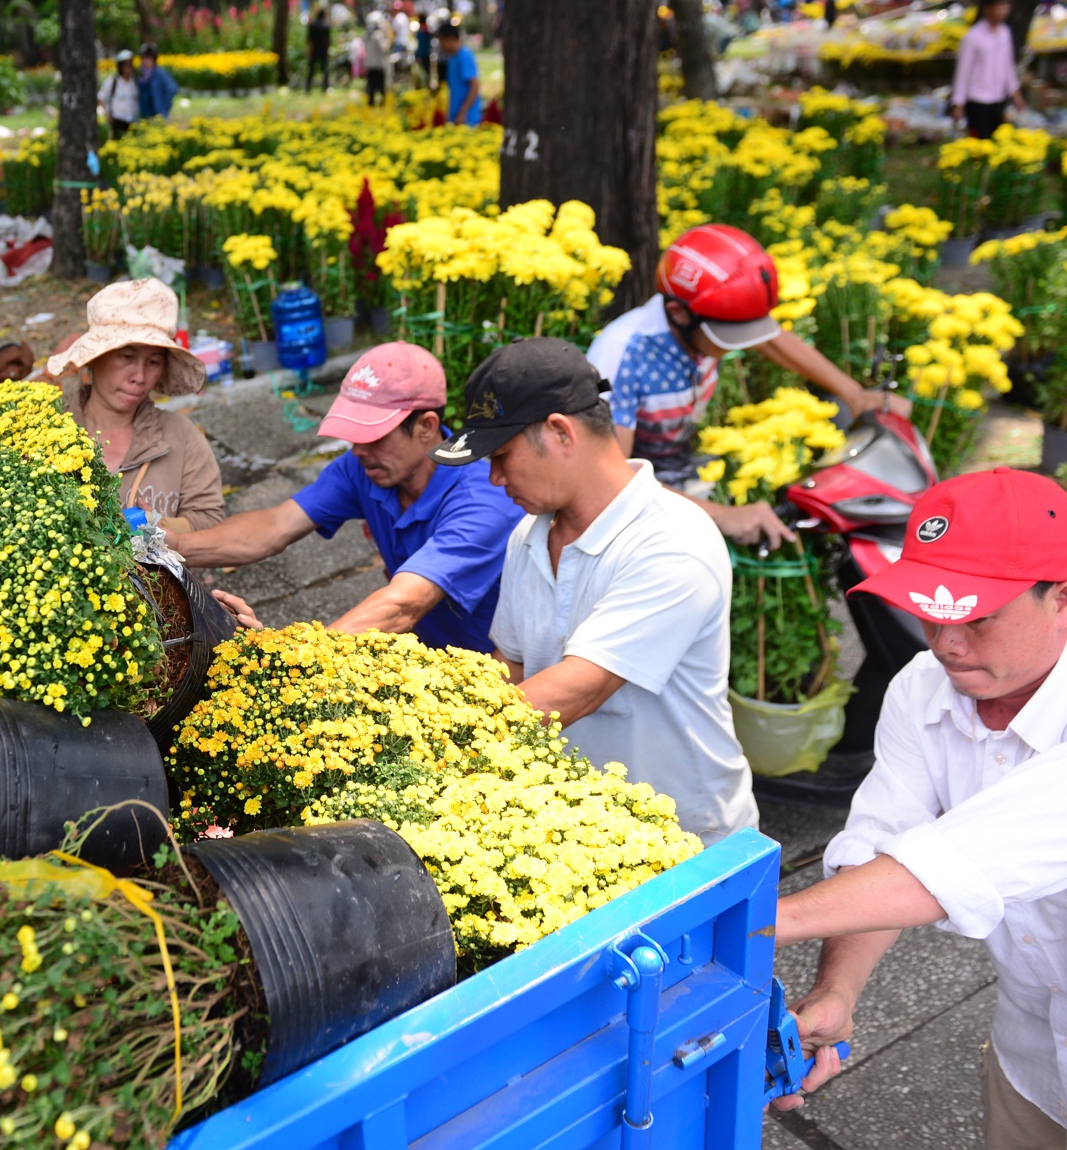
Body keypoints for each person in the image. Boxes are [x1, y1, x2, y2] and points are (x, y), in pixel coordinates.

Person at [772, 468, 1067, 1150]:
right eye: (928, 612)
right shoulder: (920, 686)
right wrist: (838, 991)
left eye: (976, 617)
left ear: (1062, 599)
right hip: (1032, 1047)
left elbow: (961, 859)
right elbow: (884, 843)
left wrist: (749, 922)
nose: (944, 641)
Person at [428, 338, 756, 845]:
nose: (494, 478)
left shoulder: (672, 542)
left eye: (502, 456)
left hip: (691, 838)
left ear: (560, 432)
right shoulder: (529, 534)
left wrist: (435, 744)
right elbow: (511, 664)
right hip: (582, 829)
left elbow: (579, 688)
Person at [169, 342, 525, 653]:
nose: (357, 449)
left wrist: (293, 657)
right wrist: (174, 543)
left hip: (503, 667)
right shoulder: (367, 467)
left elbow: (404, 604)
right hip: (428, 650)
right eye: (353, 434)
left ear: (426, 427)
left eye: (373, 435)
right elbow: (275, 525)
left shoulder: (483, 499)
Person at [590, 223, 911, 548]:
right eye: (728, 338)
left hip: (682, 465)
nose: (736, 346)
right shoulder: (623, 355)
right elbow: (614, 480)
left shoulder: (702, 323)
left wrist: (855, 395)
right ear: (678, 313)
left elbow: (772, 340)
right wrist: (720, 515)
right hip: (636, 511)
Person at [46, 279, 224, 532]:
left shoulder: (180, 435)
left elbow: (209, 520)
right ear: (94, 359)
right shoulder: (46, 430)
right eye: (127, 357)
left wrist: (157, 526)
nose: (139, 377)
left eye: (153, 362)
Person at [953, 0, 1027, 140]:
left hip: (998, 98)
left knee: (999, 140)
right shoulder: (973, 37)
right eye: (999, 6)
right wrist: (958, 102)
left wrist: (1016, 94)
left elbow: (1008, 66)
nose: (1003, 10)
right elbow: (963, 71)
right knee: (981, 141)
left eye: (1006, 6)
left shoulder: (1005, 33)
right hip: (977, 100)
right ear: (987, 9)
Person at [438, 23, 481, 127]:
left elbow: (475, 86)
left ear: (450, 39)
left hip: (467, 119)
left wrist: (463, 113)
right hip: (456, 118)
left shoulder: (464, 56)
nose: (441, 45)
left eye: (442, 41)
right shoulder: (452, 58)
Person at [100, 49, 139, 140]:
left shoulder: (135, 81)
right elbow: (100, 98)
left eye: (130, 64)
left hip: (132, 120)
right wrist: (107, 115)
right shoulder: (112, 81)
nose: (128, 68)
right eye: (125, 65)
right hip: (117, 120)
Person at [136, 44, 178, 122]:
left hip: (157, 113)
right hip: (142, 113)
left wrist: (164, 105)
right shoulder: (139, 73)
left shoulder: (159, 73)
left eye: (149, 59)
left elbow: (173, 88)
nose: (146, 62)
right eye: (144, 59)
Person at [365, 16, 392, 106]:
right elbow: (385, 47)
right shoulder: (378, 35)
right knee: (380, 86)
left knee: (371, 86)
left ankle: (371, 103)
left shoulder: (366, 34)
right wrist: (388, 38)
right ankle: (382, 104)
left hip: (370, 64)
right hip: (378, 64)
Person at [305, 6, 332, 93]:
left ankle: (308, 87)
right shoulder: (325, 26)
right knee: (325, 69)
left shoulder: (312, 25)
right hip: (323, 50)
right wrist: (327, 51)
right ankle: (325, 87)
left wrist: (309, 50)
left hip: (314, 50)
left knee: (311, 70)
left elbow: (309, 40)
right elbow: (327, 40)